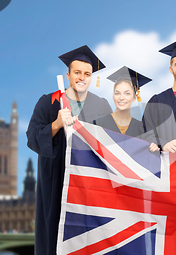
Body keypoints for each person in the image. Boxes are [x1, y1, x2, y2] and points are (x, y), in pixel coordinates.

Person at [26, 45, 112, 255]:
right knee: (55, 234)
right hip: (57, 182)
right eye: (77, 72)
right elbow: (32, 138)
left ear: (92, 77)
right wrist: (55, 124)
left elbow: (113, 145)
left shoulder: (101, 105)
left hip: (91, 185)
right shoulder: (49, 102)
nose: (81, 77)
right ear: (68, 75)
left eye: (87, 74)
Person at [94, 66, 158, 152]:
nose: (121, 98)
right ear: (113, 95)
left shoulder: (142, 129)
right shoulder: (98, 124)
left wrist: (154, 147)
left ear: (135, 97)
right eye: (117, 93)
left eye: (127, 93)